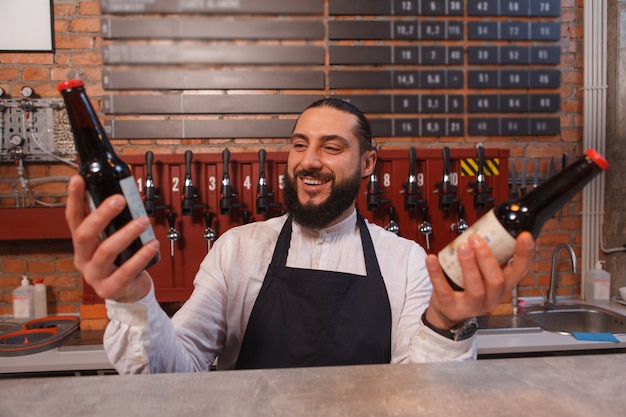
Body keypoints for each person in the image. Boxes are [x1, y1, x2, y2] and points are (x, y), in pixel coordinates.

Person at [66, 98, 535, 372]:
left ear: (368, 164)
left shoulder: (406, 260)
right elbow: (175, 373)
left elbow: (421, 395)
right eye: (299, 145)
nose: (309, 160)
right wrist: (133, 300)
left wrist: (446, 327)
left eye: (332, 147)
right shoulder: (238, 250)